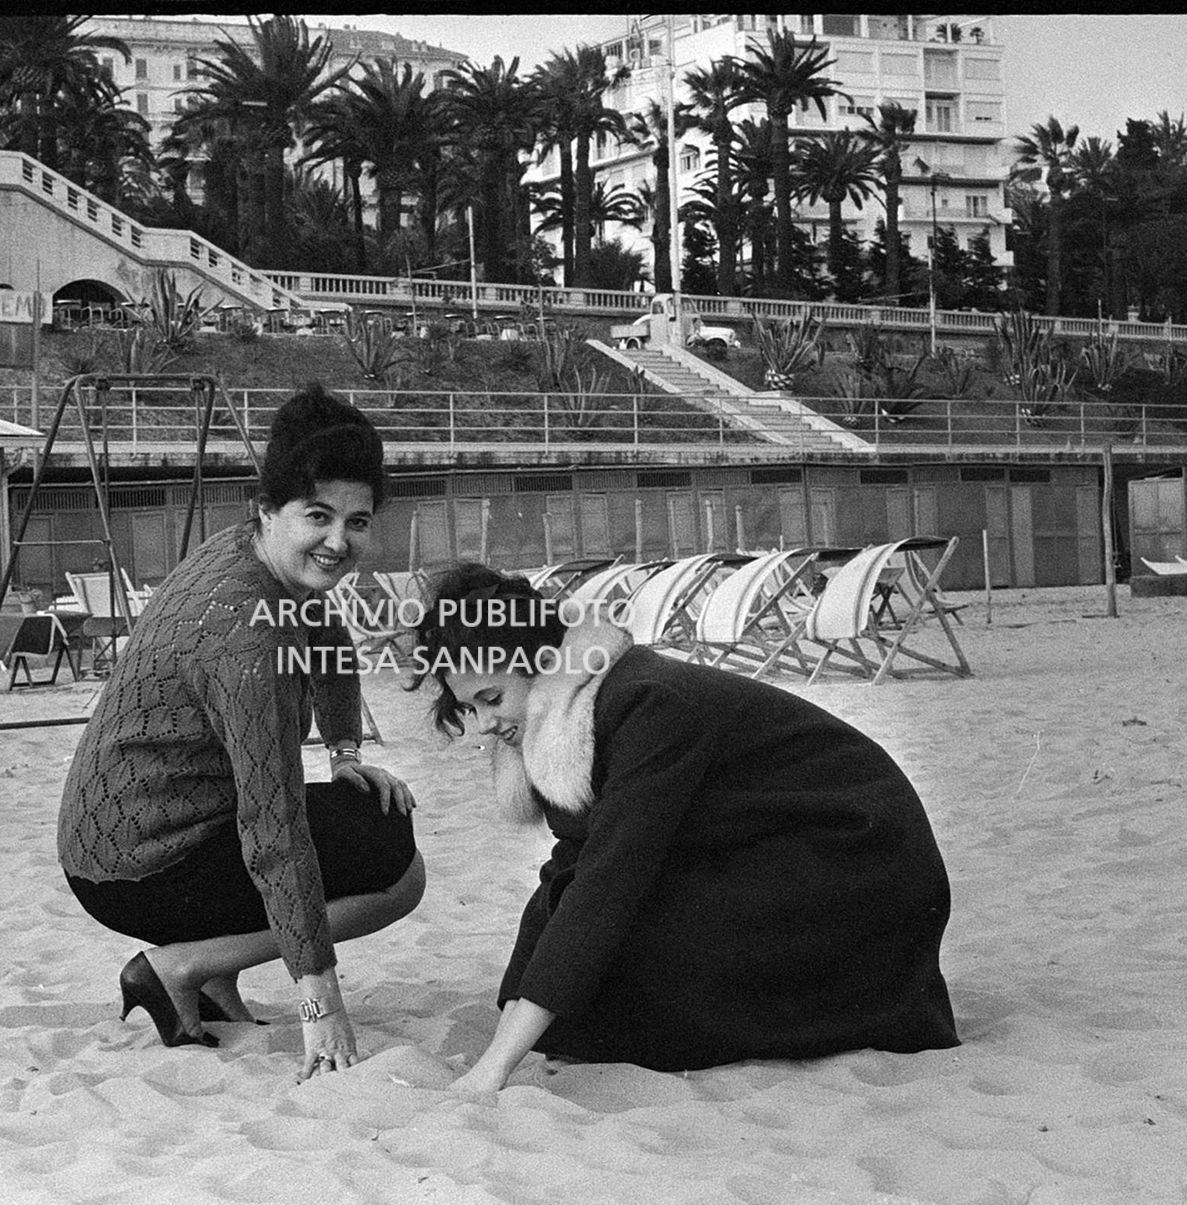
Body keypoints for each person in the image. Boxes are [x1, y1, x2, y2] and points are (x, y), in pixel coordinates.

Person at [409, 564, 959, 1090]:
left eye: (492, 698)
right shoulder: (574, 710)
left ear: (543, 663)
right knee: (589, 986)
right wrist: (508, 1038)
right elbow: (568, 871)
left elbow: (609, 878)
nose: (484, 725)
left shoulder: (646, 701)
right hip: (767, 851)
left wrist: (496, 1067)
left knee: (627, 950)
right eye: (469, 708)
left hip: (859, 862)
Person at [58, 385, 424, 1082]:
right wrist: (319, 1004)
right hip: (140, 867)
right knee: (399, 873)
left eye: (357, 522)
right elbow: (272, 825)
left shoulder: (249, 553)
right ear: (268, 509)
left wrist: (345, 752)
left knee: (370, 814)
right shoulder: (249, 638)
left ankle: (213, 977)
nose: (339, 541)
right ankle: (181, 966)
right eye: (318, 516)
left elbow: (327, 635)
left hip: (125, 839)